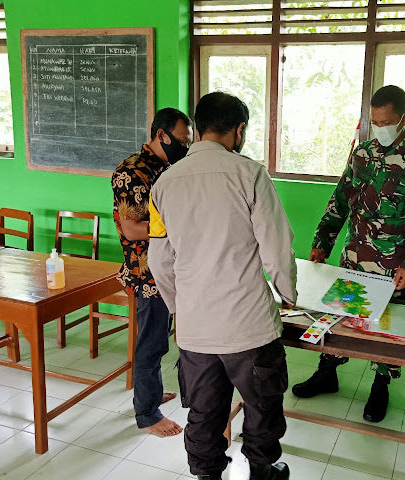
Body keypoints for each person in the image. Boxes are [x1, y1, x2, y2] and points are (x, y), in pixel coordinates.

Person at [148, 92, 297, 480]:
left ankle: (207, 474)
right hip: (249, 326)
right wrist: (288, 296)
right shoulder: (250, 175)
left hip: (196, 330)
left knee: (204, 411)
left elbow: (158, 261)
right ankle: (262, 470)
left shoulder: (163, 184)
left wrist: (181, 309)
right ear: (239, 129)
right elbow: (277, 248)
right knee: (261, 405)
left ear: (197, 128)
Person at [292, 85, 405, 423]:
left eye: (387, 122)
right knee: (338, 319)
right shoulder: (362, 154)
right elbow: (340, 201)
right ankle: (327, 372)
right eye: (375, 122)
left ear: (404, 118)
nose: (381, 128)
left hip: (395, 266)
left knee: (387, 329)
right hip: (355, 257)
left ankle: (380, 385)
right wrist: (322, 243)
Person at [111, 107, 193, 437]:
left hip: (168, 269)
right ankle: (146, 413)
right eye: (181, 141)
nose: (185, 147)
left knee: (159, 338)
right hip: (148, 274)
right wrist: (179, 227)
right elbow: (132, 229)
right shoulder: (131, 172)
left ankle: (152, 394)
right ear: (161, 135)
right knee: (152, 343)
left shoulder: (165, 168)